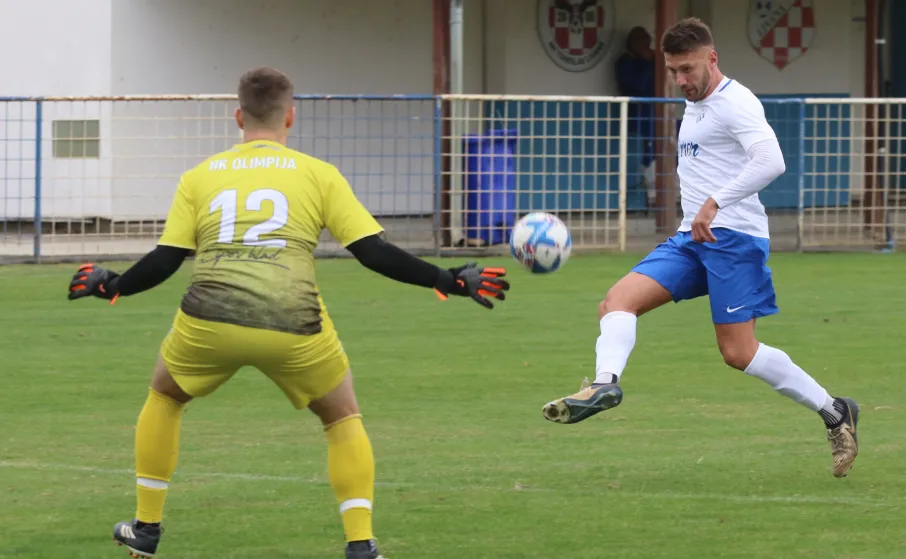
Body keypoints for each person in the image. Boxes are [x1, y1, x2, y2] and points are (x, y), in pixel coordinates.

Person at [67, 66, 510, 559]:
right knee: (342, 416)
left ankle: (146, 528)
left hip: (209, 318)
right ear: (290, 117)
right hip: (292, 322)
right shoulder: (318, 174)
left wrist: (113, 286)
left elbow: (167, 258)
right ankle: (360, 544)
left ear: (238, 116)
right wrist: (449, 280)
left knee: (165, 395)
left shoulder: (199, 176)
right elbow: (373, 252)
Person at [541, 18, 860, 479]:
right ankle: (605, 386)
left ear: (712, 58)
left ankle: (835, 411)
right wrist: (700, 213)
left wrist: (714, 202)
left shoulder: (736, 102)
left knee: (738, 352)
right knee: (616, 301)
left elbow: (772, 160)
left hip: (735, 240)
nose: (681, 81)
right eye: (674, 71)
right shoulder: (693, 103)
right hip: (694, 238)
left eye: (688, 69)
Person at [614, 26, 657, 209]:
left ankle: (656, 200)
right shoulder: (624, 62)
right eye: (642, 43)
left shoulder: (654, 61)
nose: (646, 47)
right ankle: (639, 204)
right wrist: (648, 61)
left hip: (655, 117)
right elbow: (638, 84)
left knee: (656, 158)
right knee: (637, 162)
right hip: (633, 120)